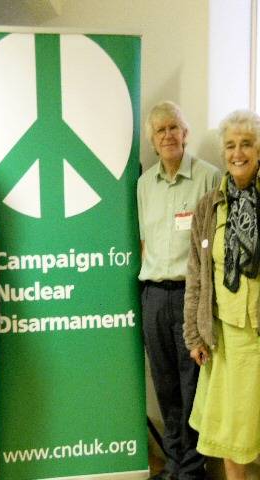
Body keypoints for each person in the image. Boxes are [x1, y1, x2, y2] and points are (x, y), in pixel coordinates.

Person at [137, 101, 221, 480]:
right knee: (164, 382)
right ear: (153, 142)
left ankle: (191, 468)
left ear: (186, 134)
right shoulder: (143, 185)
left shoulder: (208, 177)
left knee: (192, 383)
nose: (168, 135)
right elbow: (143, 243)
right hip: (153, 295)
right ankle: (173, 463)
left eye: (174, 128)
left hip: (191, 296)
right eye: (160, 131)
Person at [184, 109, 260, 480]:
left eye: (247, 144)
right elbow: (196, 277)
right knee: (231, 438)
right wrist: (194, 334)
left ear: (259, 150)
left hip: (258, 337)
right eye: (230, 145)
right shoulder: (208, 206)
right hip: (225, 341)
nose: (238, 152)